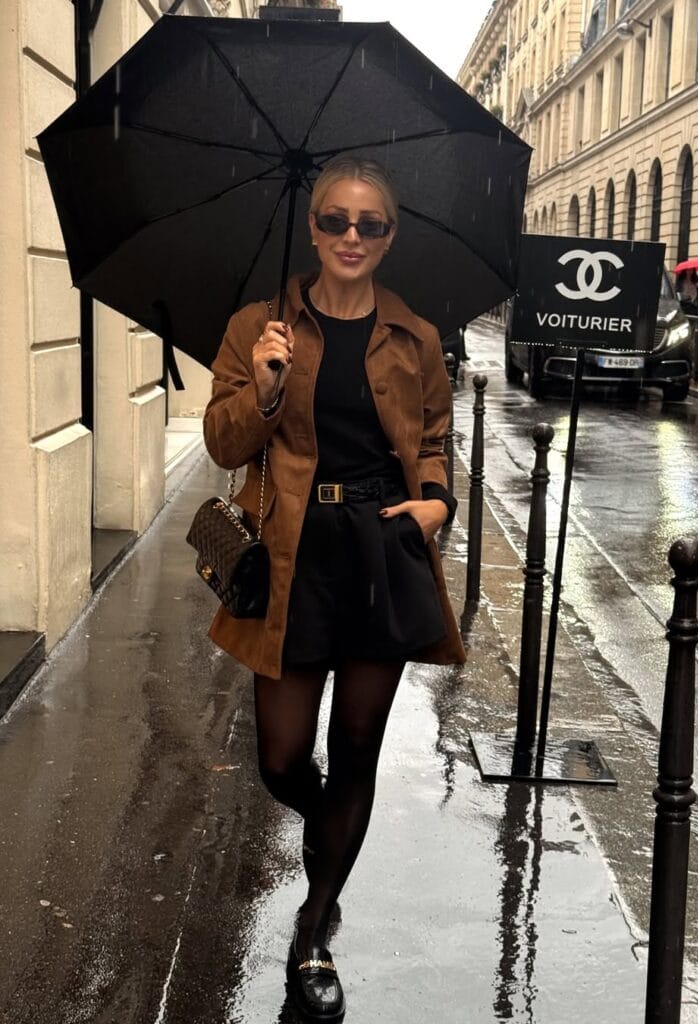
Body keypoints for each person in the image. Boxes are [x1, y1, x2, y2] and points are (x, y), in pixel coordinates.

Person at [202, 156, 466, 1022]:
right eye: (334, 221)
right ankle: (331, 831)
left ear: (390, 236)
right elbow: (224, 444)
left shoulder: (415, 336)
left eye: (370, 224)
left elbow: (431, 435)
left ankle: (314, 927)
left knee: (357, 745)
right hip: (289, 552)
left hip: (381, 548)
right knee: (282, 759)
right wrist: (269, 385)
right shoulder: (257, 326)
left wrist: (434, 502)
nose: (351, 237)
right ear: (312, 228)